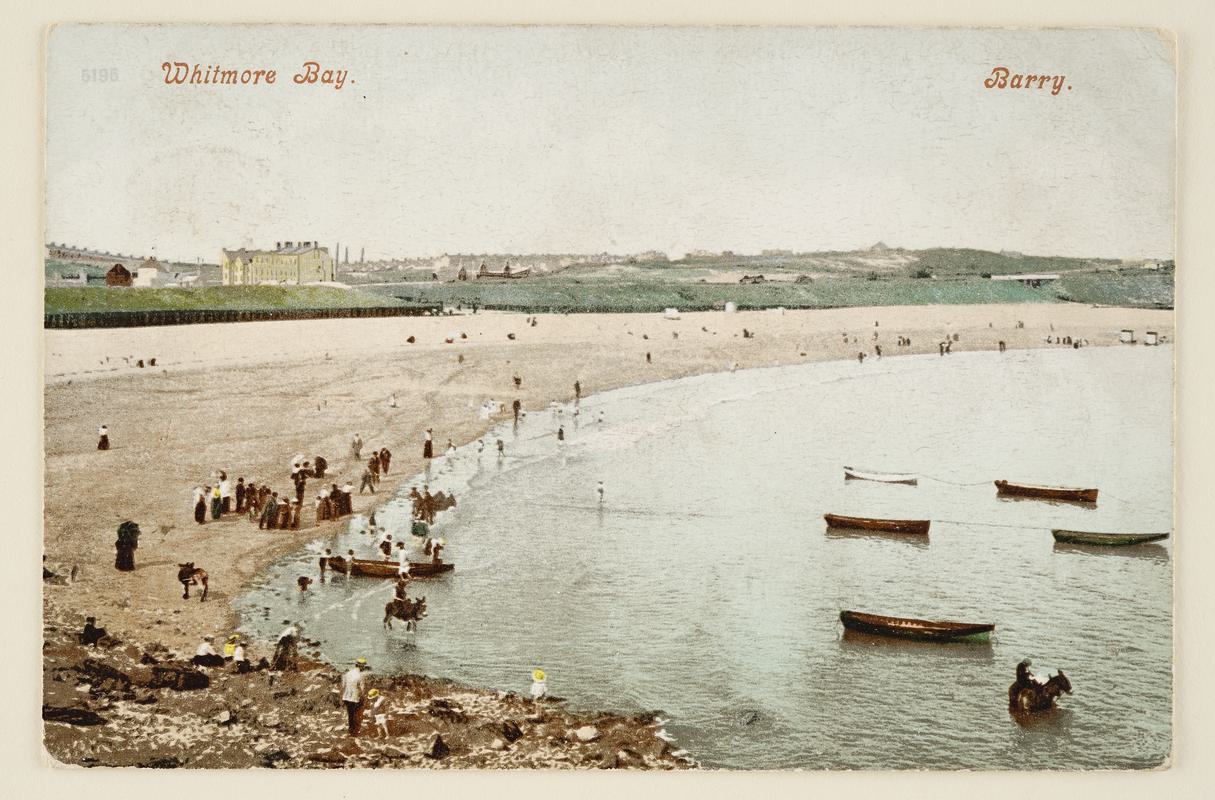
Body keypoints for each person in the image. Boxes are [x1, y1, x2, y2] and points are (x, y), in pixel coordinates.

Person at [341, 658, 370, 735]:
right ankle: (355, 731)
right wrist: (364, 697)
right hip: (355, 697)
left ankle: (350, 730)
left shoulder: (348, 674)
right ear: (362, 666)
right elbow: (362, 688)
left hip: (346, 697)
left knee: (350, 715)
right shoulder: (361, 675)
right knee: (356, 714)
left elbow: (343, 686)